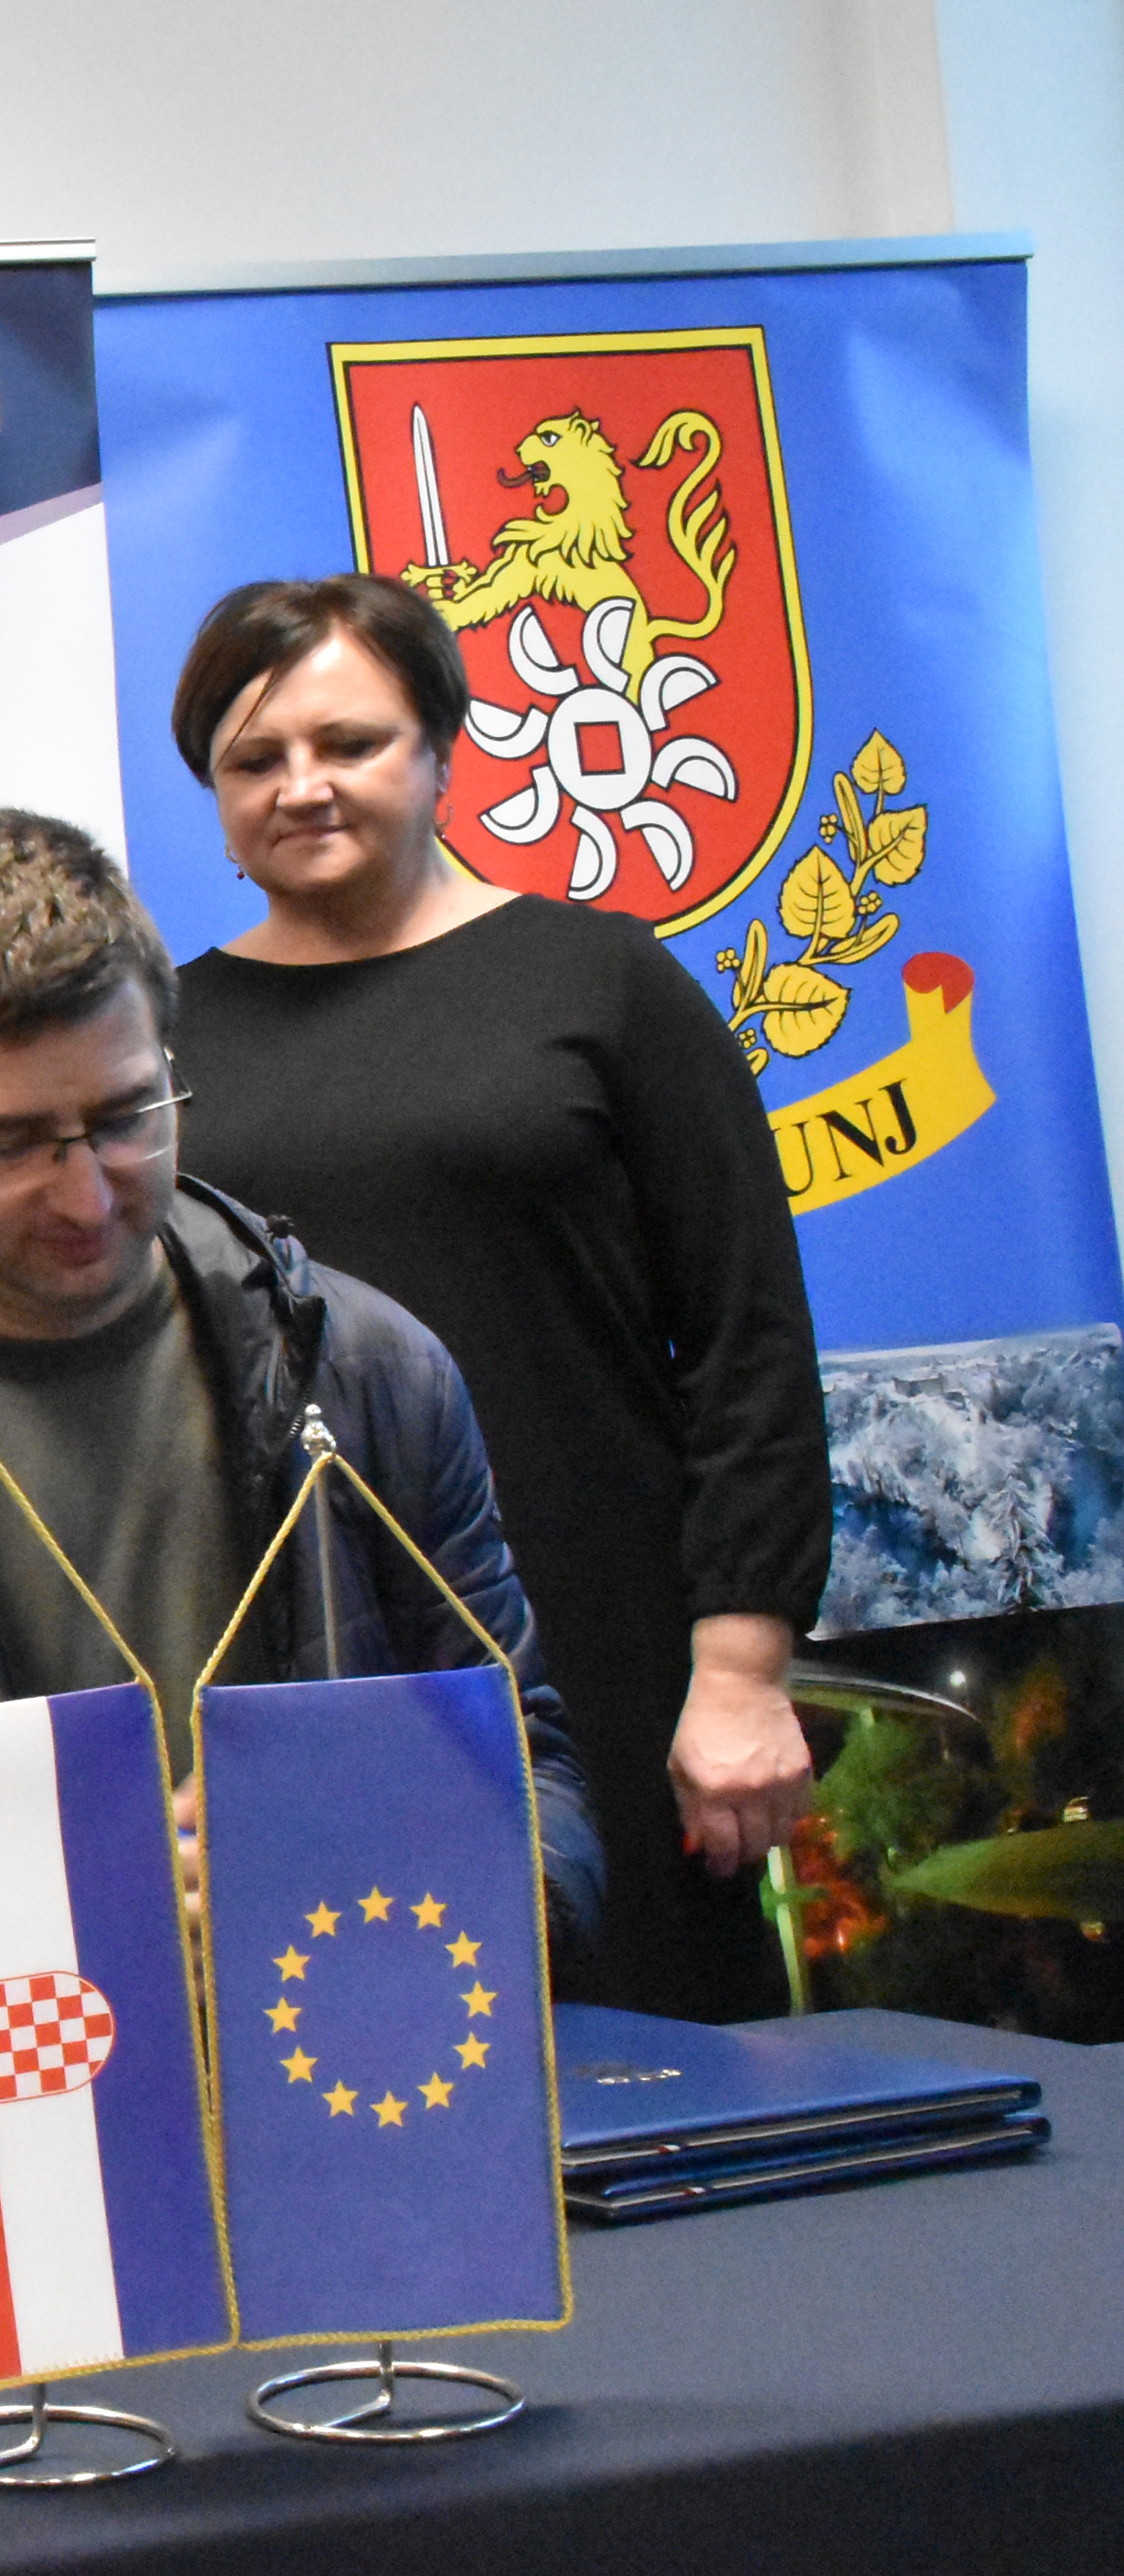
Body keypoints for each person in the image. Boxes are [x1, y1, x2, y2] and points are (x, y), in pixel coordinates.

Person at [0, 810, 603, 2150]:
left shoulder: (368, 1375)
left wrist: (377, 1874)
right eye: (9, 1143)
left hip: (330, 2101)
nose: (87, 1195)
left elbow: (541, 1806)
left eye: (124, 1118)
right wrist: (95, 1910)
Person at [164, 575, 827, 2022]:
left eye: (350, 743)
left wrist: (741, 1668)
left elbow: (749, 1340)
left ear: (443, 751)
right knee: (351, 2067)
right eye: (255, 759)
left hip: (607, 1652)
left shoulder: (601, 983)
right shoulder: (157, 1037)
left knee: (656, 2074)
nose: (302, 785)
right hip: (294, 1679)